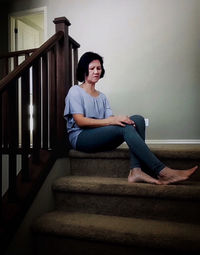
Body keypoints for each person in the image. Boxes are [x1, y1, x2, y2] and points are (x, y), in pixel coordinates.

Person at [64, 52, 198, 185]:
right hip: (81, 138)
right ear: (84, 70)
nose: (96, 71)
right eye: (92, 68)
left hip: (99, 137)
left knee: (137, 119)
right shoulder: (75, 91)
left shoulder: (102, 97)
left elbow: (110, 121)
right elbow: (80, 121)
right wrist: (113, 121)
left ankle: (136, 170)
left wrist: (120, 120)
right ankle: (163, 171)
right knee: (124, 126)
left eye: (98, 68)